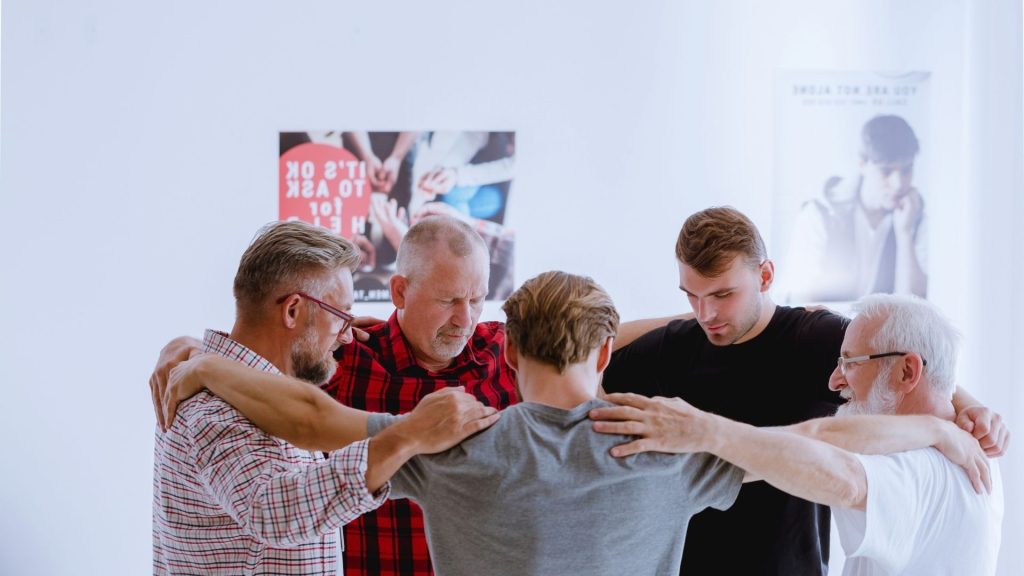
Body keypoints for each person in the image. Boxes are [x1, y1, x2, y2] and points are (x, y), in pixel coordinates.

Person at [600, 206, 1007, 575]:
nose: (707, 313)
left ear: (765, 277)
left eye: (723, 294)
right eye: (692, 296)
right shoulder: (677, 344)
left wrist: (969, 409)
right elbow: (588, 350)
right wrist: (689, 316)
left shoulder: (815, 338)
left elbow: (904, 360)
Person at [152, 215, 519, 576]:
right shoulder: (212, 406)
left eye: (477, 300)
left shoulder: (510, 354)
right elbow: (273, 510)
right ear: (293, 310)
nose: (348, 333)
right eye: (341, 314)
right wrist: (408, 435)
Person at [783, 114, 928, 302]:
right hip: (826, 330)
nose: (899, 183)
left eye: (906, 170)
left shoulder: (913, 218)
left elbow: (915, 311)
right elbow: (802, 303)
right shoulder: (820, 213)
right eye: (886, 171)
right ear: (863, 164)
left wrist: (905, 233)